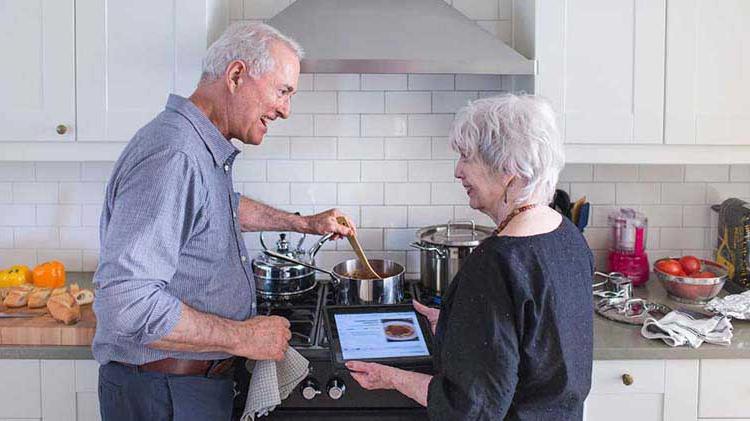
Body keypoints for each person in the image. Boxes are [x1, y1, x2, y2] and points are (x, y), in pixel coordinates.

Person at [92, 22, 355, 421]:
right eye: (283, 91)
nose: (286, 109)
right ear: (236, 75)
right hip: (165, 394)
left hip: (187, 388)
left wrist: (303, 224)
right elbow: (127, 303)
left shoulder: (196, 146)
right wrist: (244, 336)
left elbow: (218, 208)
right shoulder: (174, 155)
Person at [347, 94, 594, 420]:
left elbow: (470, 408)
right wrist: (456, 327)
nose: (457, 171)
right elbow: (535, 349)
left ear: (507, 168)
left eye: (467, 157)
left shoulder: (497, 262)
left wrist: (392, 377)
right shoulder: (567, 235)